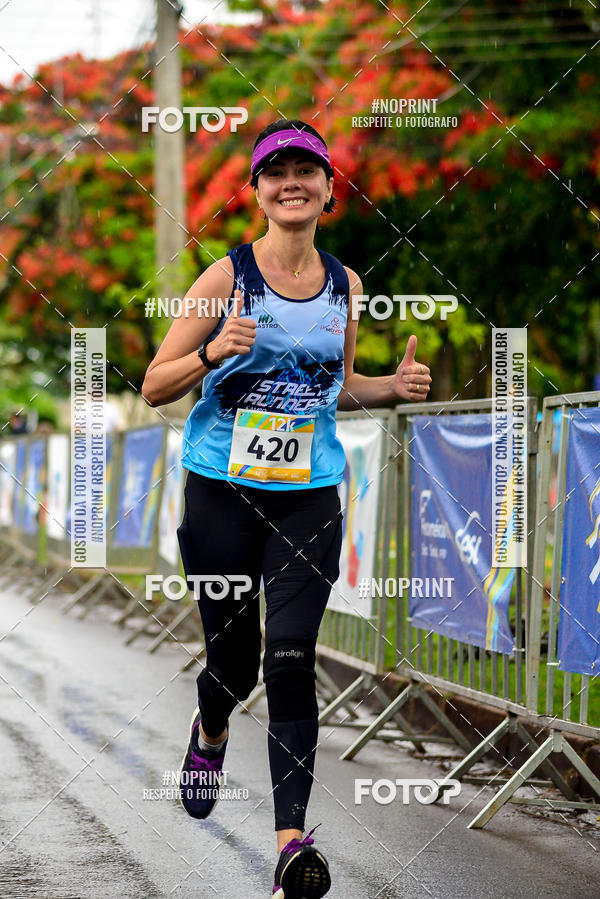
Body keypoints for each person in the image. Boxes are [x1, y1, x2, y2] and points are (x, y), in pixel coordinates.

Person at [142, 118, 431, 898]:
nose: (291, 182)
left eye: (307, 170)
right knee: (233, 668)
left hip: (308, 498)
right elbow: (155, 383)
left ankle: (290, 846)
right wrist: (213, 351)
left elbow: (332, 386)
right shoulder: (224, 278)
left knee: (292, 656)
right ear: (258, 191)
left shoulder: (346, 285)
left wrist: (388, 390)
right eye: (276, 172)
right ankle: (209, 730)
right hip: (221, 495)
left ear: (330, 189)